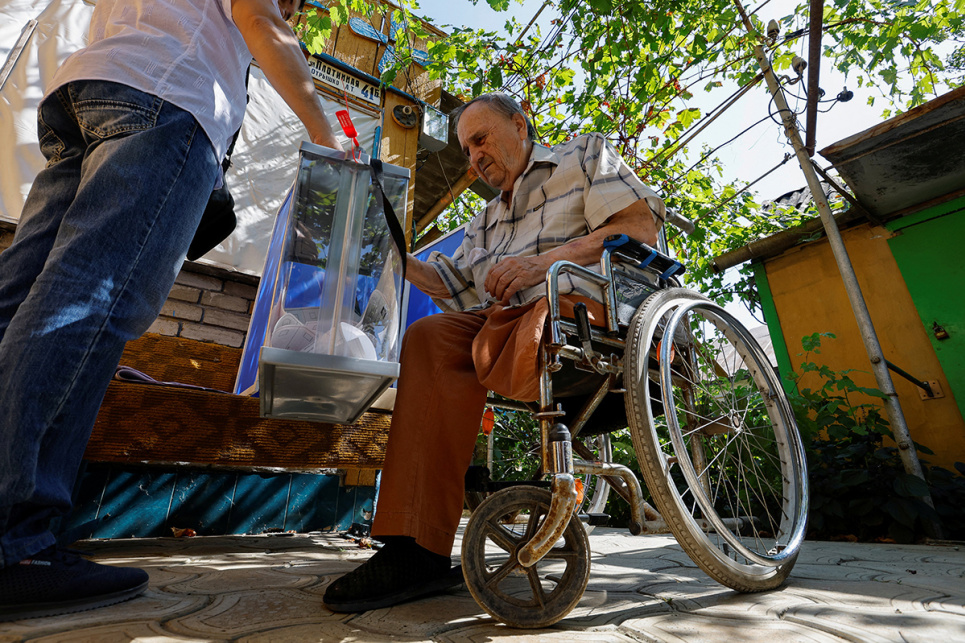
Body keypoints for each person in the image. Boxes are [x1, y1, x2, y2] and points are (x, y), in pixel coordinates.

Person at [0, 0, 341, 621]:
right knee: (89, 300)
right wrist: (328, 135)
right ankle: (18, 543)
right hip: (164, 102)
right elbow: (260, 17)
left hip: (89, 89)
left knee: (19, 300)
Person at [323, 92, 666, 612]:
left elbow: (638, 228)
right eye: (465, 150)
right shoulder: (484, 221)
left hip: (582, 317)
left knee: (517, 318)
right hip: (505, 329)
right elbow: (446, 282)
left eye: (480, 140)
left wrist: (543, 263)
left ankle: (511, 438)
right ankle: (415, 548)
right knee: (431, 339)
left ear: (520, 125)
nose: (474, 157)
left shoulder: (584, 156)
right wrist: (388, 249)